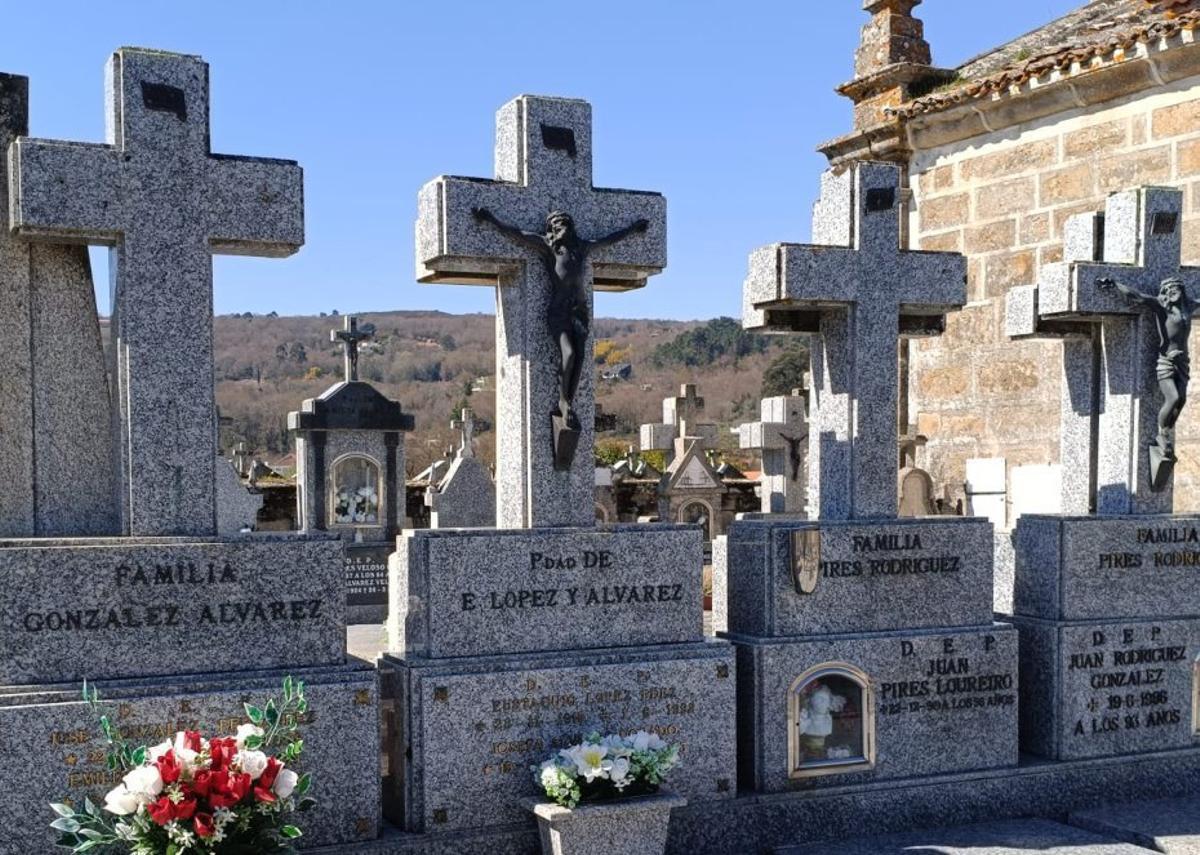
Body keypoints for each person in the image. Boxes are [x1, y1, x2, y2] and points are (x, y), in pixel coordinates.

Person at [472, 208, 648, 432]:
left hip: (579, 312)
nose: (561, 225)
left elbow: (608, 240)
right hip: (559, 313)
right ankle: (563, 402)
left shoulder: (581, 249)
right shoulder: (548, 248)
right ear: (551, 229)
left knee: (581, 359)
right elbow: (517, 234)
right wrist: (491, 219)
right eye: (557, 223)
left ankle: (568, 401)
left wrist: (633, 229)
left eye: (565, 222)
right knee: (570, 353)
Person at [1097, 275, 1195, 458]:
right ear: (1165, 291)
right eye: (1170, 288)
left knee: (1181, 400)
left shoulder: (1189, 307)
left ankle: (1166, 431)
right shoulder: (1160, 306)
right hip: (1166, 361)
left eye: (1177, 288)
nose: (1174, 291)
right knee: (1172, 397)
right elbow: (1138, 297)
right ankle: (1162, 433)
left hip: (1183, 362)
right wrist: (1116, 284)